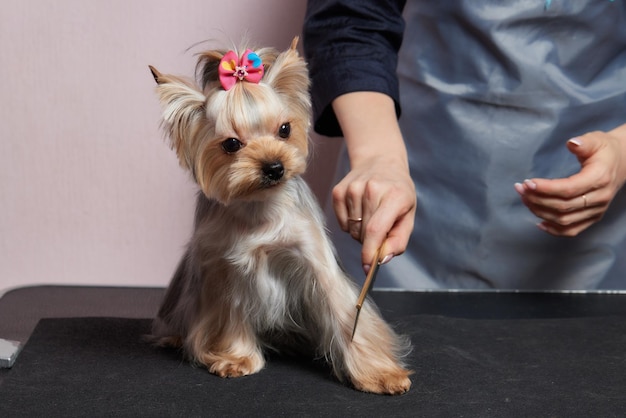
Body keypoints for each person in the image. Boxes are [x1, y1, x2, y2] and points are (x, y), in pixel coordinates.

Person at [302, 0, 626, 289]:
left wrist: (621, 151)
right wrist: (377, 156)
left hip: (601, 221)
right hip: (412, 174)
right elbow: (351, 16)